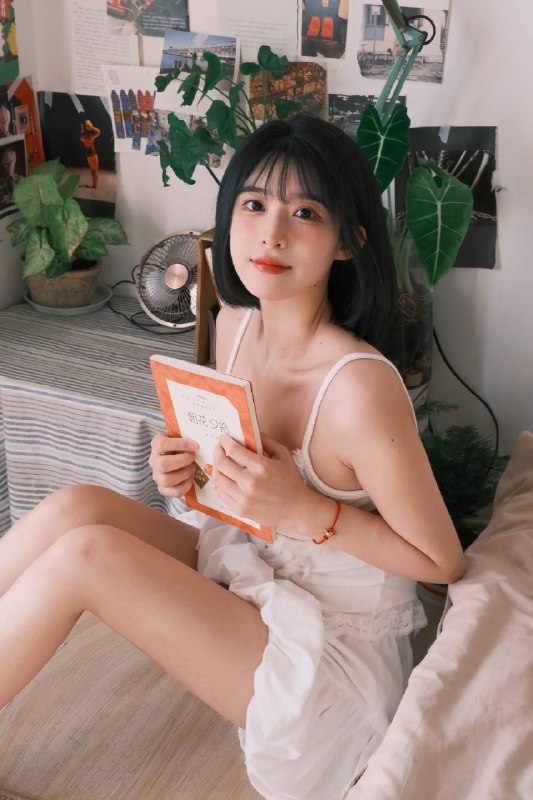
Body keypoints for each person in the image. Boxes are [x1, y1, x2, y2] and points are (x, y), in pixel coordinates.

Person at [0, 114, 464, 800]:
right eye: (253, 204)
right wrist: (184, 473)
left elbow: (442, 563)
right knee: (77, 507)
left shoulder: (359, 388)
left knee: (86, 555)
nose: (270, 233)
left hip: (326, 655)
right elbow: (230, 489)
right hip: (253, 571)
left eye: (305, 212)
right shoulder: (235, 326)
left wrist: (305, 510)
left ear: (348, 241)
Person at [80, 118, 101, 188]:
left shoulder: (84, 135)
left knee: (93, 171)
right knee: (94, 171)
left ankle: (95, 185)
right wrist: (91, 127)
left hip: (89, 155)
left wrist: (86, 128)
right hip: (92, 155)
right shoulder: (90, 135)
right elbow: (98, 132)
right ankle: (95, 185)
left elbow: (98, 132)